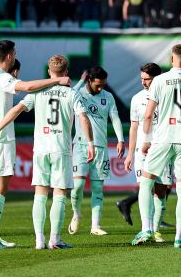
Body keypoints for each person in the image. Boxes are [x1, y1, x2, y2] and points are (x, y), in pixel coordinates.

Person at [0, 55, 95, 249]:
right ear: (66, 72)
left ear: (49, 72)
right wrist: (89, 143)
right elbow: (83, 118)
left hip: (40, 149)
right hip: (61, 149)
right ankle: (55, 239)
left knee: (40, 193)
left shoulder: (38, 92)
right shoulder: (72, 94)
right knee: (60, 193)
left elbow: (16, 110)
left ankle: (39, 240)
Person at [0, 40, 71, 250]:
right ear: (9, 56)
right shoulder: (2, 78)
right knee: (0, 187)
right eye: (14, 53)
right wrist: (56, 80)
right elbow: (27, 87)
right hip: (1, 137)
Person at [131, 44, 181, 248]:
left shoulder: (159, 80)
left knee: (146, 182)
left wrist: (146, 139)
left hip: (162, 139)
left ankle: (147, 228)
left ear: (171, 59)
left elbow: (148, 114)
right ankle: (179, 238)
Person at [69, 66, 125, 236]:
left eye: (103, 85)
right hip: (80, 145)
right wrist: (80, 81)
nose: (100, 88)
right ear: (89, 81)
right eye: (97, 85)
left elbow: (115, 118)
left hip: (100, 148)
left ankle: (95, 226)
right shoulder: (78, 93)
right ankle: (76, 214)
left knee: (98, 189)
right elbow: (68, 94)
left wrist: (121, 139)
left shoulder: (108, 97)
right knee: (77, 186)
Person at [120, 62, 170, 242]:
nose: (143, 82)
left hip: (163, 148)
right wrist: (130, 154)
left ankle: (156, 230)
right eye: (142, 79)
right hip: (143, 150)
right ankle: (146, 229)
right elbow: (134, 127)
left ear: (157, 78)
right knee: (144, 187)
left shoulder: (167, 97)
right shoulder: (137, 99)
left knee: (161, 190)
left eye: (147, 79)